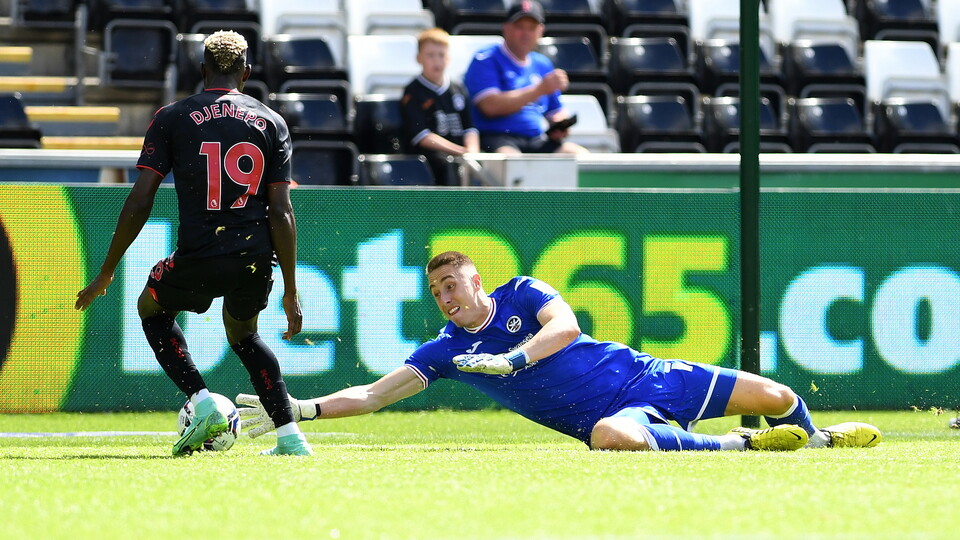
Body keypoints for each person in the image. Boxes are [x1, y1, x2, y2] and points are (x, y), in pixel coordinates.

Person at [236, 251, 882, 452]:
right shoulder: (445, 350)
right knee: (609, 438)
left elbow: (567, 327)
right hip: (618, 417)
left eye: (452, 284)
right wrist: (305, 408)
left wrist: (514, 361)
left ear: (477, 281)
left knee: (779, 396)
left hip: (650, 375)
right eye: (436, 291)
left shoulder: (523, 292)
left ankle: (816, 444)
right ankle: (746, 448)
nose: (445, 297)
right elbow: (376, 394)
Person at [75, 30, 312, 457]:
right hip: (254, 257)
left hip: (199, 253)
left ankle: (202, 403)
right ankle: (292, 440)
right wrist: (291, 290)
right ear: (247, 72)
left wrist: (108, 269)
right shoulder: (272, 122)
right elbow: (282, 211)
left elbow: (141, 197)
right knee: (244, 335)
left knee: (151, 308)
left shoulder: (172, 116)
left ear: (201, 70)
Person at [462, 0, 588, 156]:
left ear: (540, 31)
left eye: (532, 28)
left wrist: (560, 125)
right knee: (514, 163)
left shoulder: (542, 63)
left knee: (581, 157)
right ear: (506, 28)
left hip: (536, 139)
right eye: (520, 27)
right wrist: (538, 90)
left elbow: (554, 110)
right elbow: (490, 107)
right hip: (497, 137)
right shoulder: (486, 58)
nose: (526, 33)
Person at [401, 28, 480, 186]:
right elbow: (422, 136)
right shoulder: (413, 91)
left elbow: (470, 128)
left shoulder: (458, 89)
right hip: (433, 158)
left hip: (462, 153)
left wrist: (472, 151)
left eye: (441, 55)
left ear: (449, 58)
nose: (437, 61)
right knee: (447, 165)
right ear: (419, 58)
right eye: (430, 55)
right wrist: (461, 152)